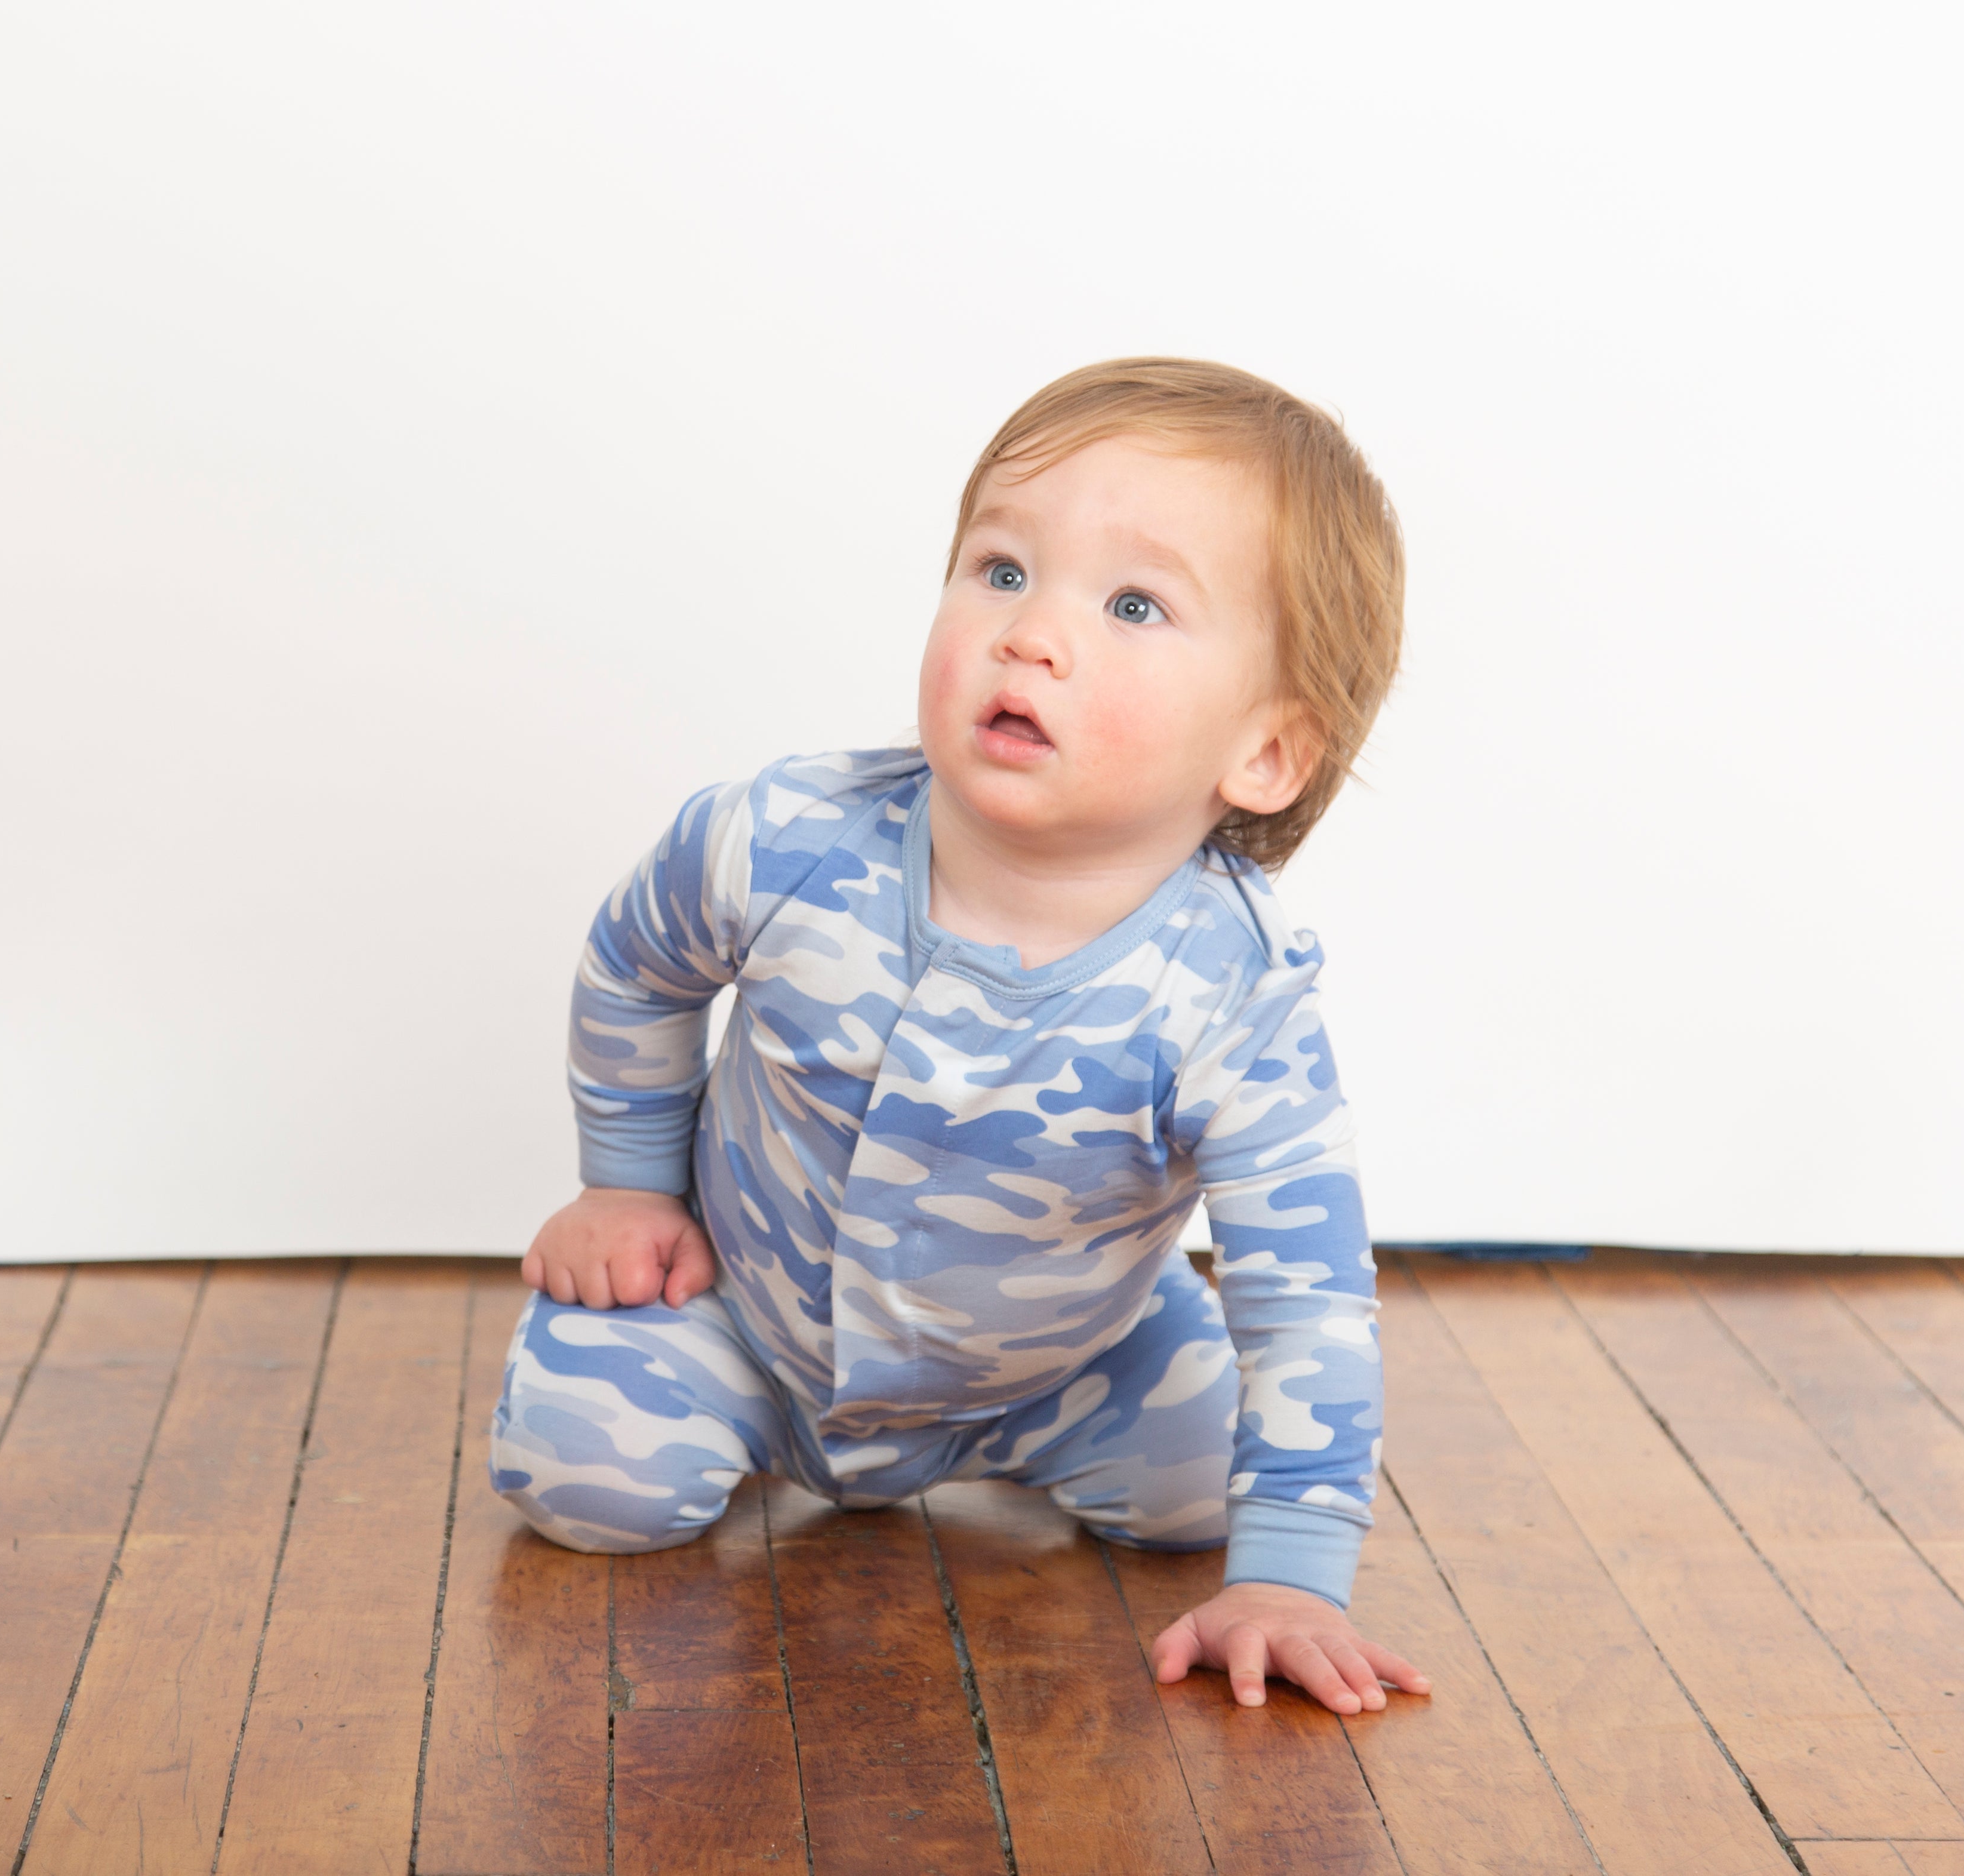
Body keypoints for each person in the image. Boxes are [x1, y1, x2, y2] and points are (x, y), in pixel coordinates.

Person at [490, 358, 1429, 1715]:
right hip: (748, 1312)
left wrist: (1291, 1571)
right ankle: (716, 1394)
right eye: (999, 569)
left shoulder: (1233, 1000)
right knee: (582, 1473)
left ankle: (1105, 1388)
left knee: (1197, 1494)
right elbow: (636, 963)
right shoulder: (783, 840)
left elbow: (1309, 1297)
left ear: (1267, 754)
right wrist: (628, 1179)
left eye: (1132, 603)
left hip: (1058, 1365)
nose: (1032, 633)